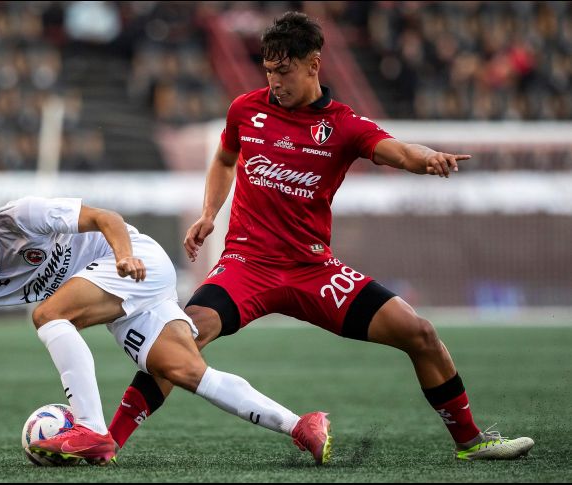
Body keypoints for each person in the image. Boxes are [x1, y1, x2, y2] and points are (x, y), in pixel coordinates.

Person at [107, 12, 535, 462]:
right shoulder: (245, 110)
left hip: (314, 271)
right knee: (179, 341)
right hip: (247, 266)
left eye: (284, 70)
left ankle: (471, 441)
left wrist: (426, 159)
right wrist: (209, 213)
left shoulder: (343, 125)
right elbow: (225, 158)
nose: (275, 82)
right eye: (268, 71)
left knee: (420, 333)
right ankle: (108, 442)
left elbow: (399, 151)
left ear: (313, 64)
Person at [0, 196, 331, 465]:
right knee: (187, 372)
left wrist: (124, 255)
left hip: (135, 263)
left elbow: (104, 218)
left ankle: (91, 429)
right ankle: (301, 425)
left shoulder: (19, 218)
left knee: (47, 315)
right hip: (119, 301)